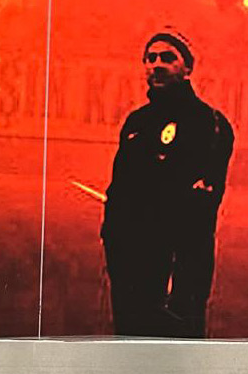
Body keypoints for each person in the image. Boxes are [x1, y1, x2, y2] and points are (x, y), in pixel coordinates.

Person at [100, 29, 234, 338]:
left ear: (187, 68)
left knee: (176, 346)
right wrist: (113, 241)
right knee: (129, 343)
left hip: (179, 264)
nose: (157, 65)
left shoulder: (209, 123)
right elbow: (119, 190)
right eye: (150, 58)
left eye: (168, 58)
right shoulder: (136, 122)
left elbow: (203, 202)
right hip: (130, 262)